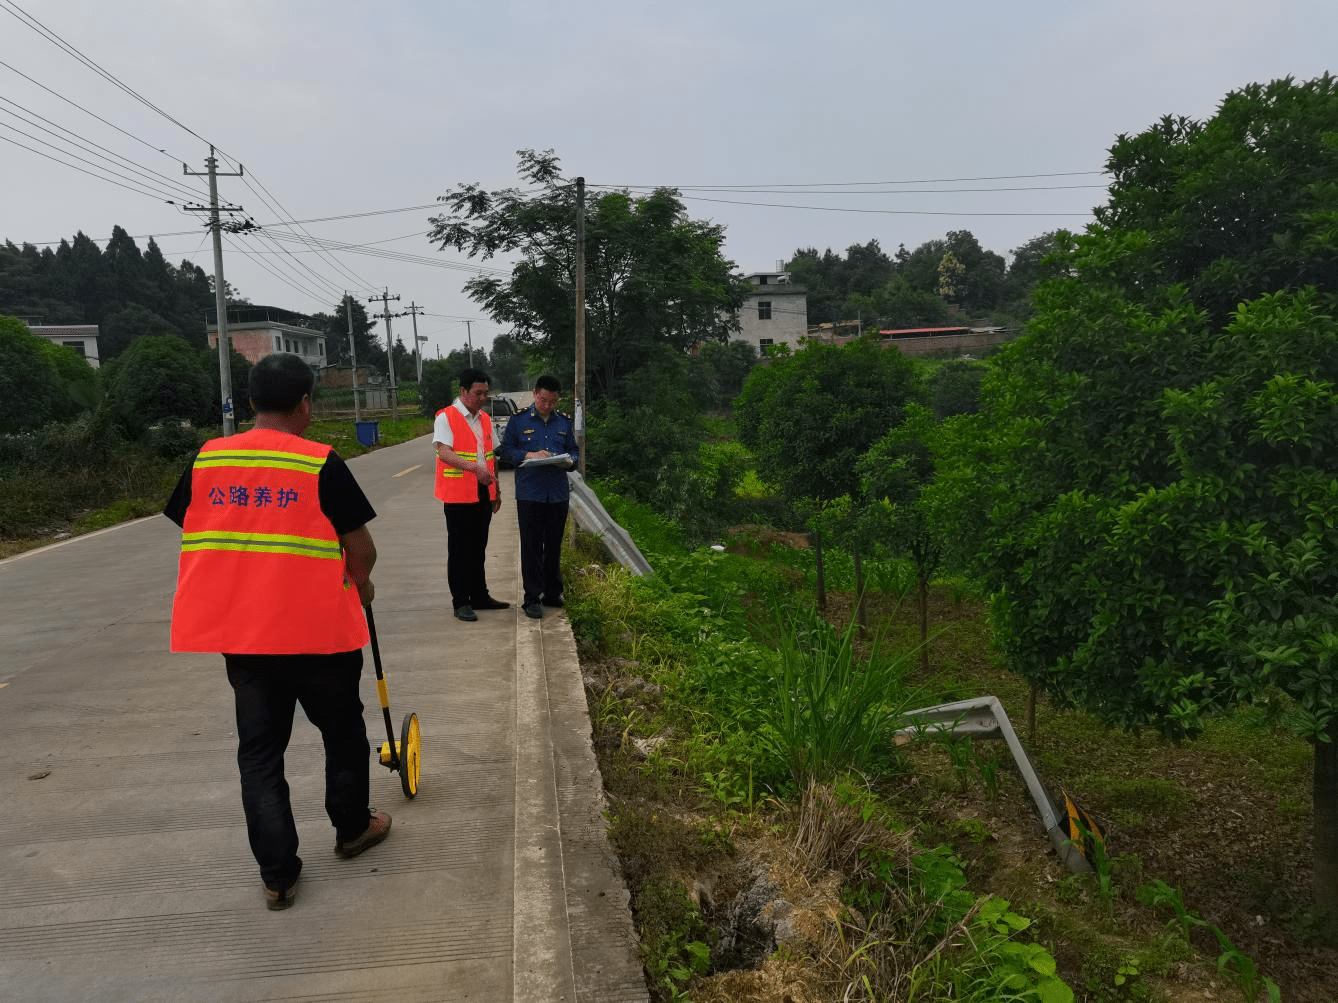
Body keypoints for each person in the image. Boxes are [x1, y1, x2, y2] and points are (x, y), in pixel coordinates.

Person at [164, 353, 391, 911]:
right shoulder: (319, 462)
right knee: (341, 734)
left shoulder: (207, 460)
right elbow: (359, 546)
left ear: (249, 403)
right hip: (320, 636)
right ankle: (352, 829)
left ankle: (278, 875)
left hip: (244, 637)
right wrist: (361, 583)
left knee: (260, 753)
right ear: (305, 403)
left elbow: (187, 521)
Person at [499, 374, 579, 620]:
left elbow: (574, 452)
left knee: (553, 546)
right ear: (535, 394)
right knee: (532, 547)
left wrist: (568, 461)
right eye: (543, 400)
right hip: (530, 494)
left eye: (551, 402)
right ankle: (532, 598)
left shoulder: (563, 422)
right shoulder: (518, 420)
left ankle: (553, 593)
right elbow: (506, 451)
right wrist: (529, 455)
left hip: (556, 495)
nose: (546, 406)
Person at [433, 367, 507, 621]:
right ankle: (461, 601)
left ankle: (480, 596)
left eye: (486, 393)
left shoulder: (484, 418)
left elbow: (492, 455)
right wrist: (474, 468)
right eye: (478, 393)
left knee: (479, 547)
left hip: (483, 492)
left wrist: (496, 488)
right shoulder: (446, 417)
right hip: (457, 494)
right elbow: (443, 451)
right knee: (460, 550)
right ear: (463, 391)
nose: (483, 398)